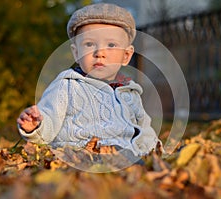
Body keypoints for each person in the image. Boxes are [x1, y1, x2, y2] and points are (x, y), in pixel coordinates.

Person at [17, 3, 162, 157]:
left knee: (130, 159)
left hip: (122, 154)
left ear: (126, 55)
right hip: (77, 155)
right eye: (89, 44)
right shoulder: (66, 85)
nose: (100, 52)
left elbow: (144, 130)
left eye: (111, 45)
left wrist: (154, 150)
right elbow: (49, 120)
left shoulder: (130, 91)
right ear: (76, 52)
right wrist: (35, 126)